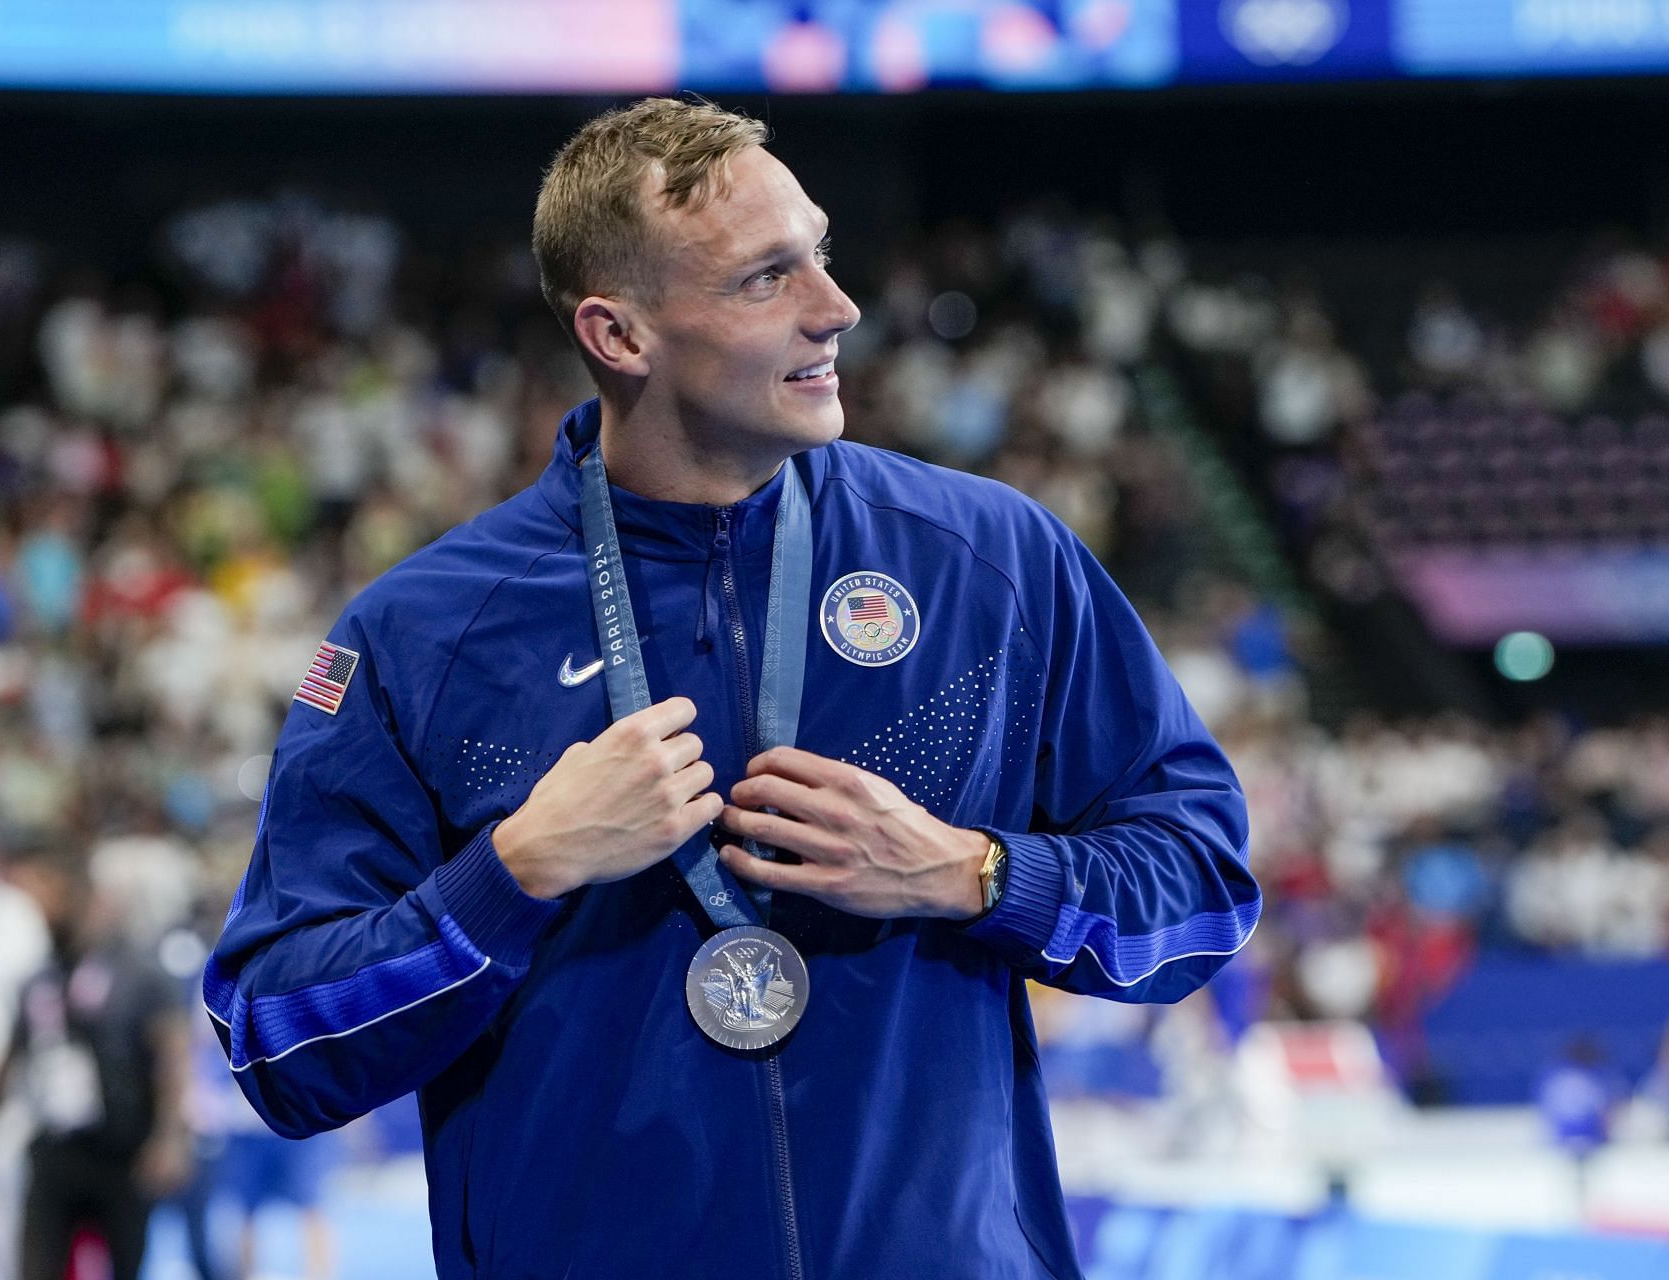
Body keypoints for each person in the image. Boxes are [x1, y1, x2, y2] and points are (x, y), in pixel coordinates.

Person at [205, 97, 1259, 1280]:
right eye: (767, 278)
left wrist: (973, 873)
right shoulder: (424, 632)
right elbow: (276, 1039)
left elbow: (1206, 885)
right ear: (620, 335)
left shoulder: (993, 560)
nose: (837, 305)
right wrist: (513, 874)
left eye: (820, 250)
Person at [0, 847, 190, 1280]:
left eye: (49, 894)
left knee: (125, 1266)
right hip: (55, 1151)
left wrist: (170, 1136)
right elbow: (9, 1061)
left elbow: (173, 1054)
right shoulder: (38, 978)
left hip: (122, 1153)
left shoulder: (138, 973)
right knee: (36, 1267)